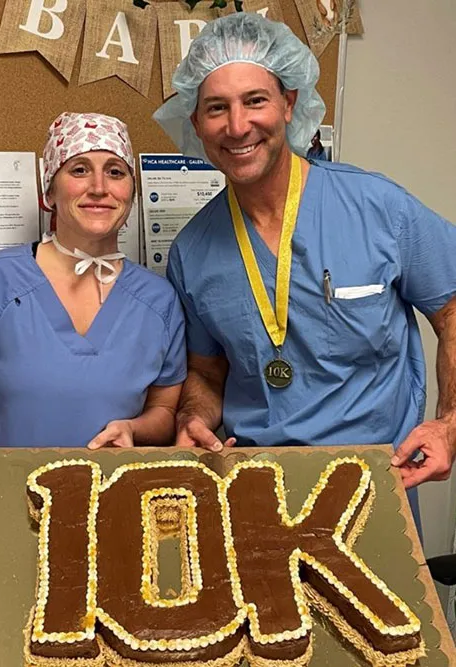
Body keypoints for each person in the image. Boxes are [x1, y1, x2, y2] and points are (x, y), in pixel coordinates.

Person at [154, 13, 456, 502]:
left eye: (255, 101)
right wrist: (192, 417)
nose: (237, 126)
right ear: (196, 122)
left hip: (375, 484)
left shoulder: (376, 208)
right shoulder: (193, 250)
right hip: (253, 487)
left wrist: (450, 424)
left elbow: (452, 307)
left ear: (289, 103)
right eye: (216, 108)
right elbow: (208, 373)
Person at [0, 112, 186, 448]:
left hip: (109, 496)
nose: (98, 188)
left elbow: (164, 411)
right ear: (48, 192)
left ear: (132, 195)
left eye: (115, 172)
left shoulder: (158, 301)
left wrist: (134, 429)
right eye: (79, 170)